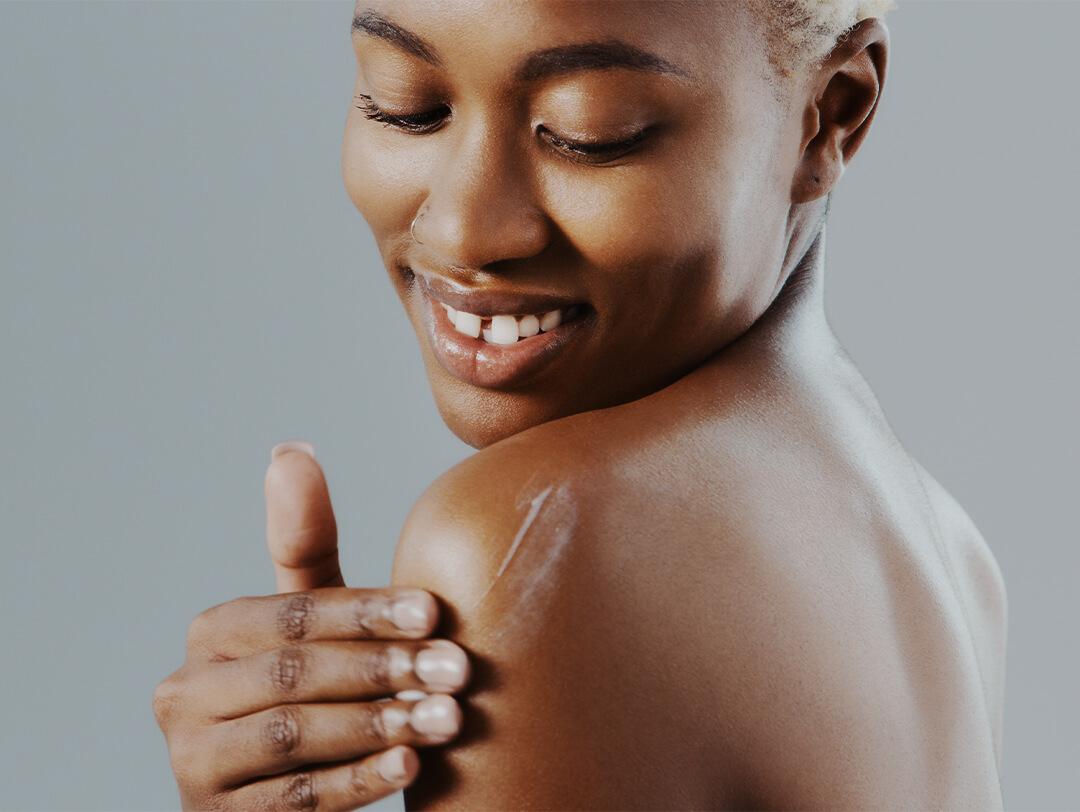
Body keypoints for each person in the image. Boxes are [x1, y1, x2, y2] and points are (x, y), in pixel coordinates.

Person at [155, 1, 1008, 808]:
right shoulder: (950, 555)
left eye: (588, 134)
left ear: (831, 114)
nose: (462, 230)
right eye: (405, 106)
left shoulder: (542, 538)